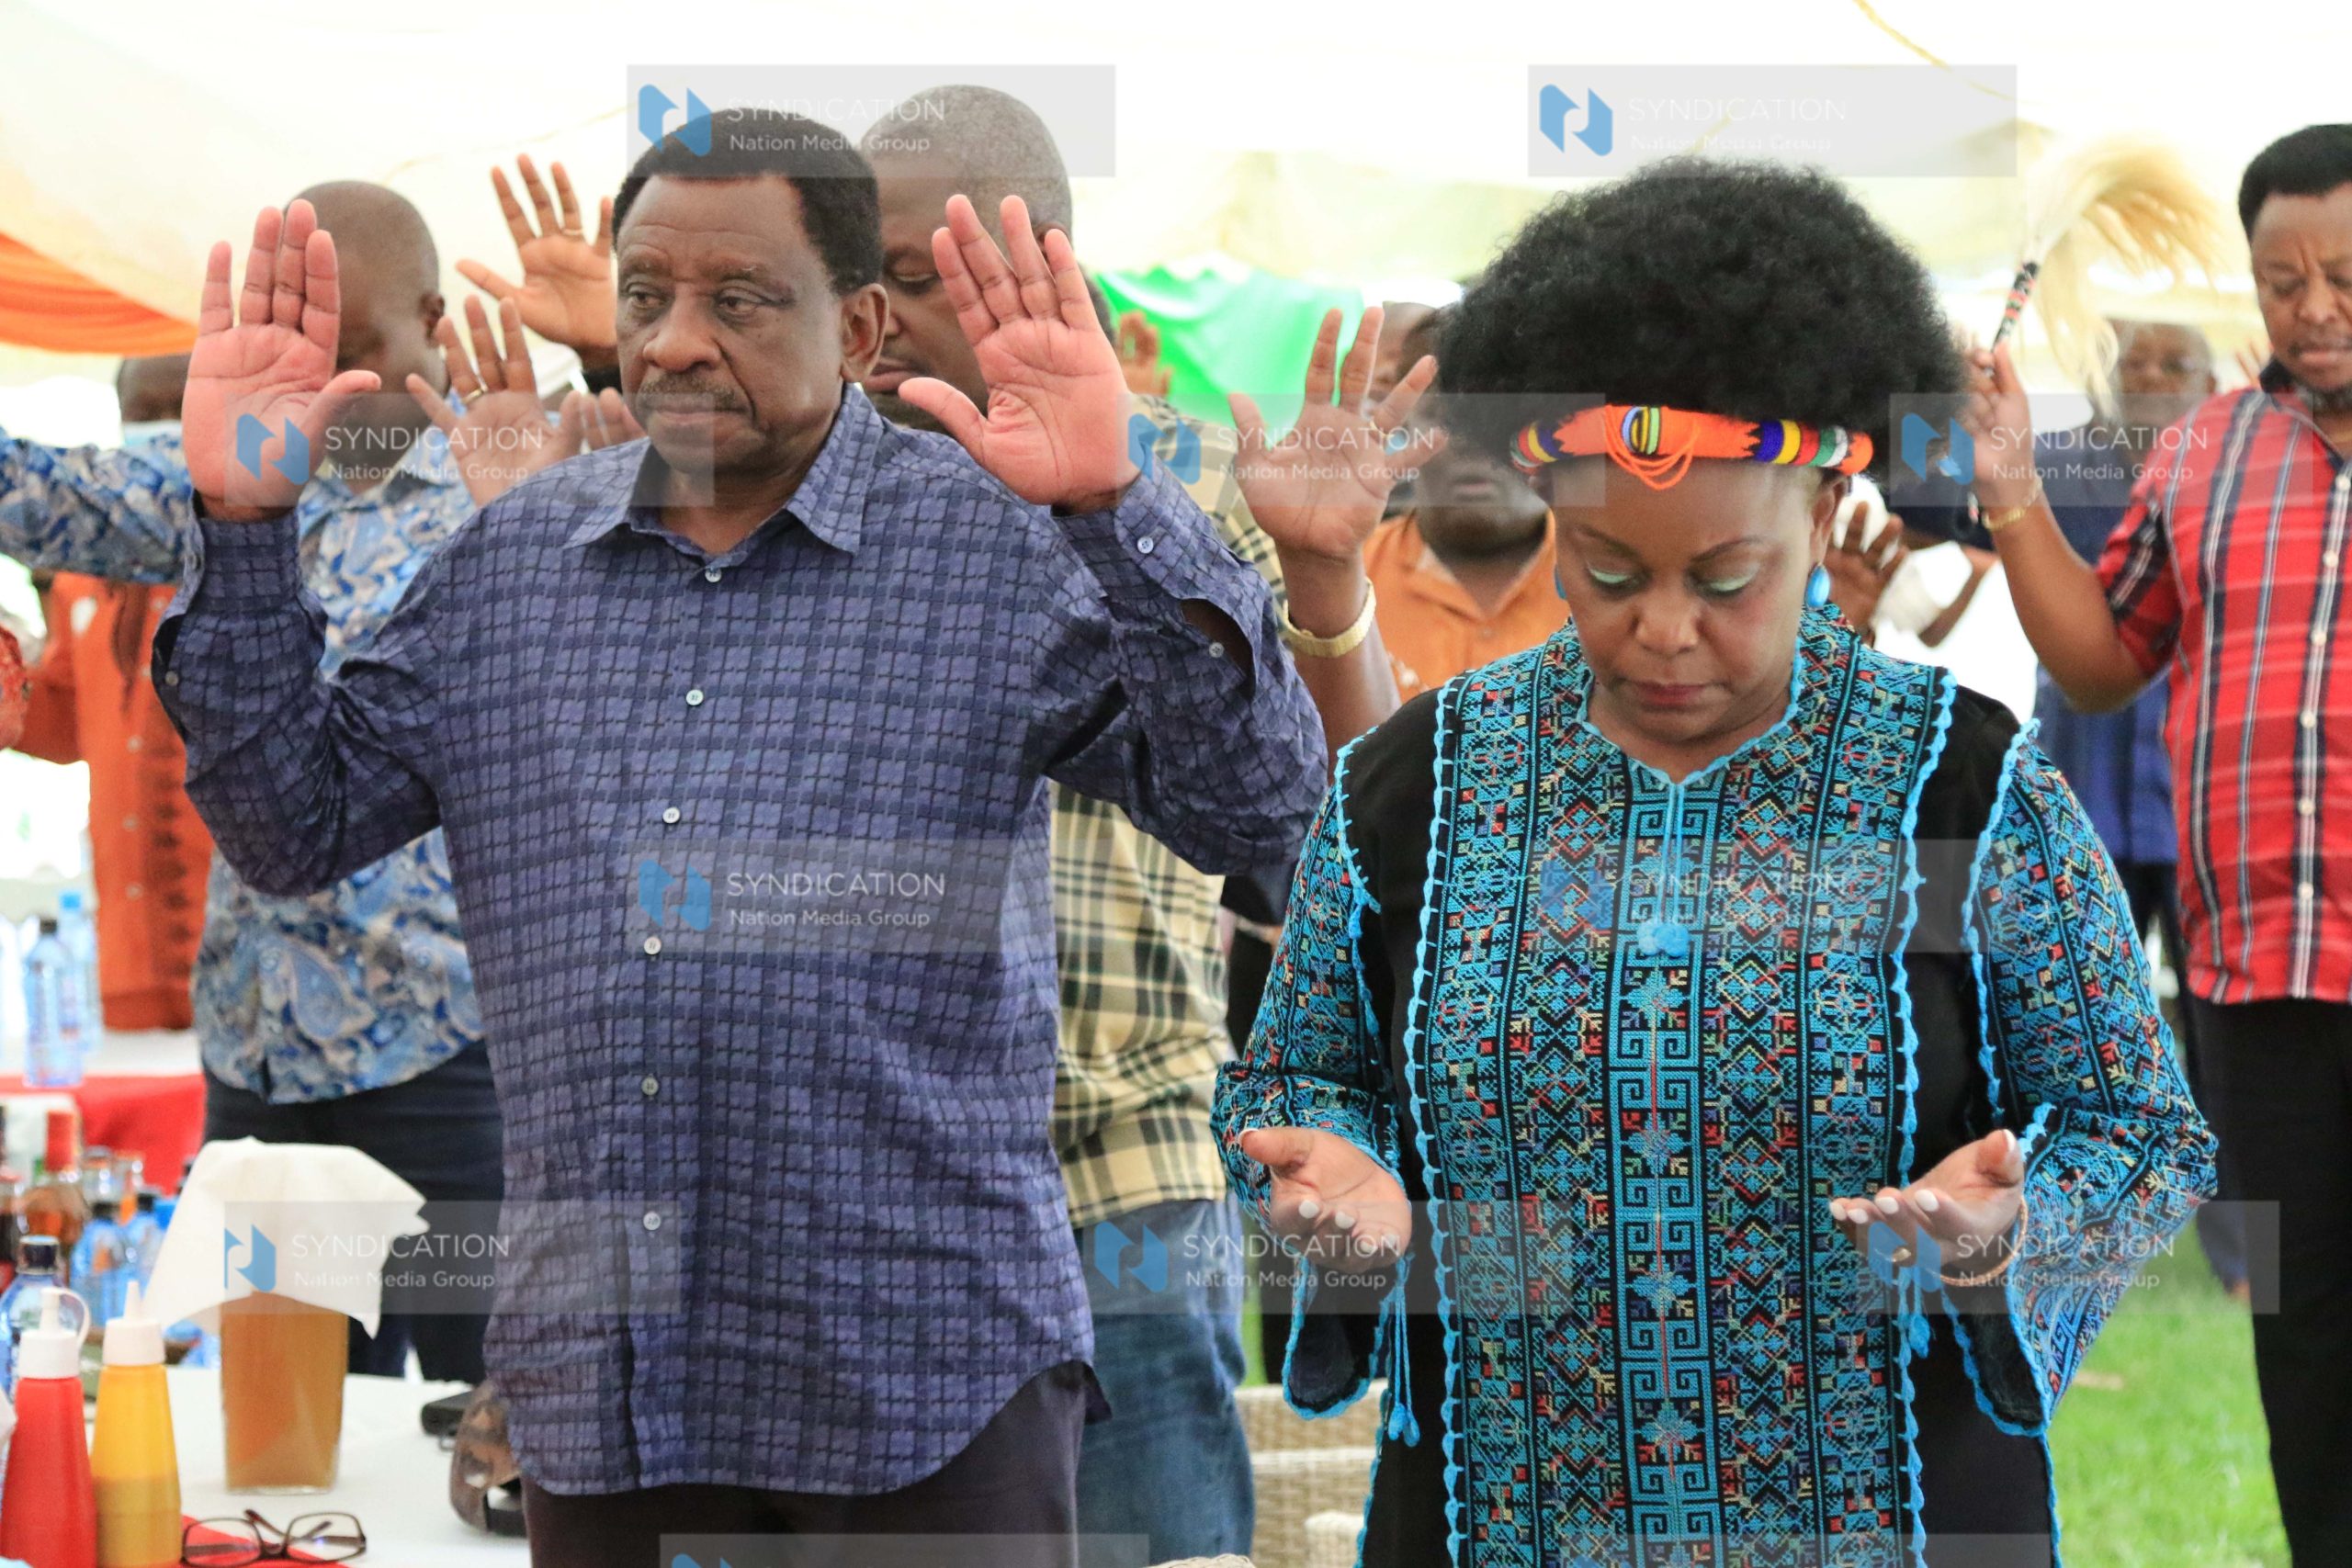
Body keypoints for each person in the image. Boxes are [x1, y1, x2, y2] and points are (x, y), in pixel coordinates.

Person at [154, 110, 1329, 1565]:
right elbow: (287, 821)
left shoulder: (996, 544)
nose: (674, 341)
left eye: (741, 299)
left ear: (864, 324)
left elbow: (1264, 809)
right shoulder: (514, 566)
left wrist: (1113, 500)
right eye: (646, 295)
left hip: (920, 1388)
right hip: (610, 1394)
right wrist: (241, 517)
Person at [1215, 159, 2216, 1568]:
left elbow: (2138, 1124)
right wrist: (1346, 1210)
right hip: (1504, 1514)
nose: (1666, 627)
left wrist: (2010, 1232)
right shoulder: (1418, 785)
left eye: (1727, 578)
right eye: (1609, 568)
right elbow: (1292, 1079)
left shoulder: (1968, 785)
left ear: (1824, 517)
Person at [858, 85, 1419, 1565]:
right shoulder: (813, 510)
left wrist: (1324, 591)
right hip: (876, 1168)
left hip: (1123, 1157)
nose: (880, 317)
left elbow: (1338, 839)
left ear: (1043, 257)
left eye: (921, 276)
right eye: (859, 276)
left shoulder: (1194, 479)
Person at [0, 184, 510, 1383]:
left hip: (445, 1065)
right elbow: (46, 489)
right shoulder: (226, 489)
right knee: (282, 1451)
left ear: (431, 319)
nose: (312, 388)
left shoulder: (507, 500)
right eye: (282, 356)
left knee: (472, 1418)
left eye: (345, 354)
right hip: (259, 1065)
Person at [1972, 123, 2352, 1563]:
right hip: (2255, 984)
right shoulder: (2201, 455)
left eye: (2345, 277)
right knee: (2304, 1339)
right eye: (2282, 278)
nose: (2312, 308)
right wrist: (2009, 481)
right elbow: (2098, 659)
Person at [12, 356, 210, 1031]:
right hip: (129, 961)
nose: (157, 428)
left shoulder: (255, 559)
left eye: (175, 406)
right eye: (142, 412)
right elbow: (66, 728)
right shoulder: (81, 577)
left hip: (241, 958)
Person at [1363, 392, 1566, 698]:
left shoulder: (1622, 576)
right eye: (1448, 418)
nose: (1474, 442)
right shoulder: (1342, 581)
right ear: (1404, 423)